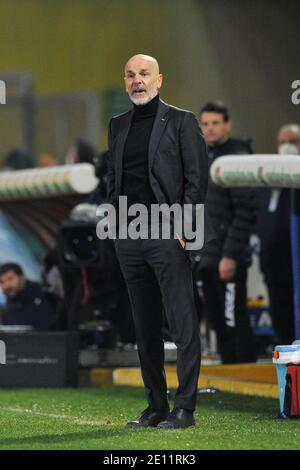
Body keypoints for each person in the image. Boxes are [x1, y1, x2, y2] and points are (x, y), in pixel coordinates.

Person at [106, 54, 208, 429]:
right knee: (144, 327)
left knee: (182, 324)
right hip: (129, 237)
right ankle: (156, 407)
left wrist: (185, 232)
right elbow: (112, 179)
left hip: (169, 235)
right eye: (130, 75)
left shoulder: (182, 121)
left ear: (159, 80)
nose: (137, 80)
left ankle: (186, 409)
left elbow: (197, 181)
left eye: (144, 74)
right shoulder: (117, 125)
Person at [198, 102, 257, 364]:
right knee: (218, 322)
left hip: (227, 258)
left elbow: (245, 212)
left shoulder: (237, 159)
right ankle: (230, 374)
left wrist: (230, 255)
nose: (210, 129)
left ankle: (244, 372)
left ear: (228, 125)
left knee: (234, 321)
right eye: (206, 124)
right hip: (207, 256)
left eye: (215, 123)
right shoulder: (203, 156)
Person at [256, 124, 300, 344]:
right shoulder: (269, 181)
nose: (287, 147)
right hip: (273, 264)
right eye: (283, 142)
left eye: (292, 142)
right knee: (281, 321)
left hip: (296, 263)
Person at [0, 262, 56, 330]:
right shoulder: (5, 311)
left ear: (22, 277)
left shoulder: (45, 296)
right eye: (2, 282)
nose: (7, 285)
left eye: (10, 279)